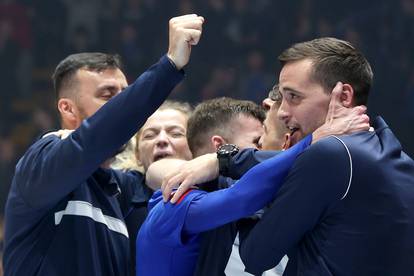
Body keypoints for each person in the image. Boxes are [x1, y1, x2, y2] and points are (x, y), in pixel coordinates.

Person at [2, 14, 204, 276]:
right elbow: (96, 136)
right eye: (108, 95)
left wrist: (211, 162)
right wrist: (170, 65)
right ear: (67, 108)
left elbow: (161, 172)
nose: (122, 105)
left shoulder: (120, 189)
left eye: (125, 94)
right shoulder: (41, 163)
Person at [137, 92, 369, 276]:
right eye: (256, 143)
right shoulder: (172, 202)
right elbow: (242, 198)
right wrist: (315, 142)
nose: (260, 154)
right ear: (220, 147)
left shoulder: (271, 206)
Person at [238, 37, 414, 275]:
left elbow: (256, 256)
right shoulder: (396, 157)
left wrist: (245, 189)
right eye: (282, 97)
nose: (282, 112)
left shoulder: (331, 154)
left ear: (343, 96)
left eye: (294, 97)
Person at [117, 100, 193, 275]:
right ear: (137, 155)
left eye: (176, 134)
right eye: (150, 135)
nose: (162, 140)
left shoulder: (218, 186)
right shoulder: (120, 192)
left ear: (195, 145)